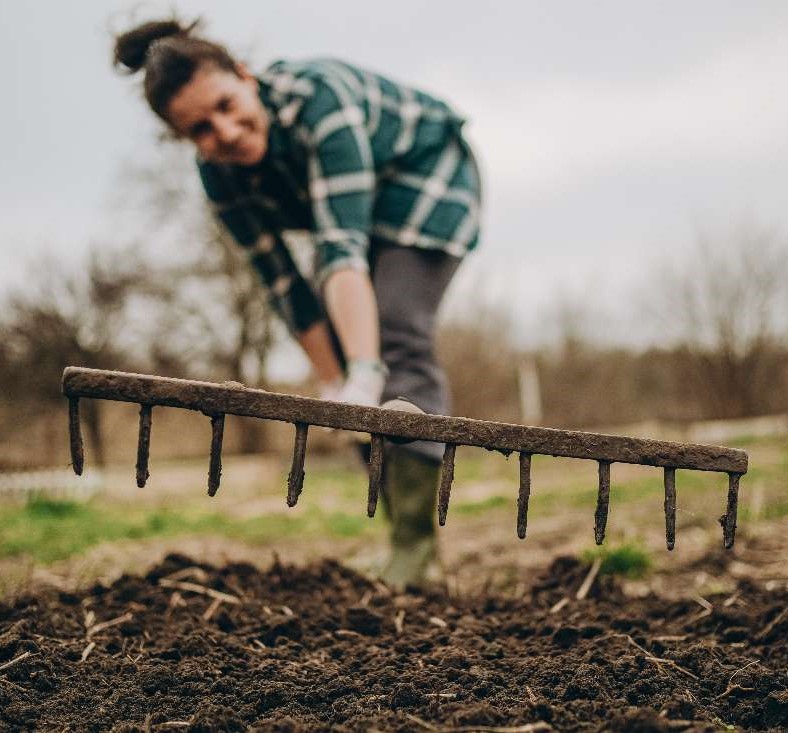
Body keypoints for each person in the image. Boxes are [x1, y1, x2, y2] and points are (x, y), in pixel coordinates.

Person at [113, 18, 482, 589]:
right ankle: (403, 542)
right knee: (349, 349)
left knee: (390, 331)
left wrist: (364, 375)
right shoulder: (221, 177)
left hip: (426, 178)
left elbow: (341, 249)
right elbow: (283, 283)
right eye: (202, 130)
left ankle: (416, 551)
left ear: (245, 75)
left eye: (227, 105)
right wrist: (337, 383)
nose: (226, 132)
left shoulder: (320, 101)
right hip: (359, 218)